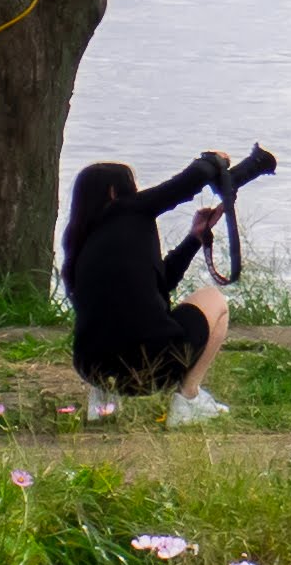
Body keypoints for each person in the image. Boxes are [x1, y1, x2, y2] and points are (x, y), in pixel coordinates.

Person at [62, 154, 239, 423]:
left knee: (109, 320)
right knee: (214, 300)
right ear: (114, 192)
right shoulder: (129, 211)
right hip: (153, 366)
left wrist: (194, 238)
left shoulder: (80, 244)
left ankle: (105, 400)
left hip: (93, 368)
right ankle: (189, 399)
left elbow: (162, 283)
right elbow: (181, 186)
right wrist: (213, 160)